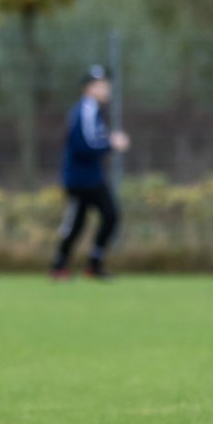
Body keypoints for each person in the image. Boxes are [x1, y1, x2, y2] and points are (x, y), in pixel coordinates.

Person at [49, 66, 130, 279]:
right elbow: (83, 145)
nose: (106, 88)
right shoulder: (85, 110)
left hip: (89, 177)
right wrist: (112, 143)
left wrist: (107, 142)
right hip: (82, 179)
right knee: (104, 216)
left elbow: (92, 141)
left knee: (85, 221)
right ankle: (74, 264)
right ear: (89, 88)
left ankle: (73, 264)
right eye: (101, 85)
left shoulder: (93, 111)